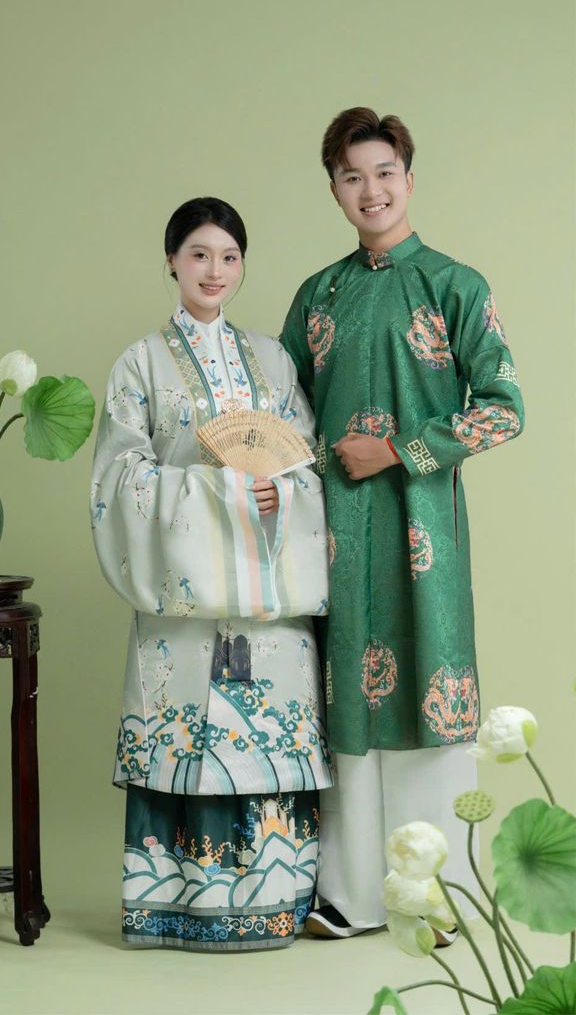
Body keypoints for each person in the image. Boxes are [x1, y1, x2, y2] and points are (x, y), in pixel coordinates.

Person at [281, 109, 525, 940]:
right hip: (334, 531)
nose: (371, 190)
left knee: (429, 692)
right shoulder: (319, 295)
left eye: (384, 172)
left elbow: (503, 408)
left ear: (409, 179)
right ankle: (350, 897)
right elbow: (282, 413)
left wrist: (399, 450)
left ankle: (438, 901)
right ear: (335, 190)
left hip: (422, 528)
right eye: (352, 176)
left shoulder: (457, 286)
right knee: (344, 699)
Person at [90, 197, 333, 952]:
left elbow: (305, 461)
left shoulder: (273, 360)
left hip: (271, 601)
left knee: (266, 736)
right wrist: (219, 491)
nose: (214, 270)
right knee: (188, 737)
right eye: (199, 254)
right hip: (184, 605)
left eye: (229, 257)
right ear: (172, 261)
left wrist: (282, 491)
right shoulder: (139, 363)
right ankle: (177, 910)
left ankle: (277, 901)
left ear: (242, 266)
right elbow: (119, 478)